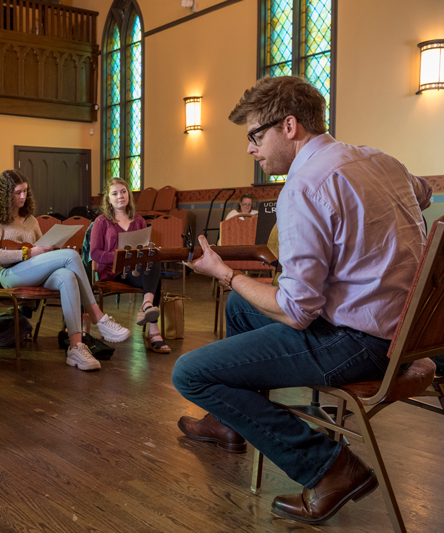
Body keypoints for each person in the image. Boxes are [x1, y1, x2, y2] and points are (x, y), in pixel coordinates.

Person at [171, 76, 432, 525]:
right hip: (409, 332)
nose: (251, 149)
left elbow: (297, 312)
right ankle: (229, 422)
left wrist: (226, 274)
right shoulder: (379, 159)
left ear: (288, 126)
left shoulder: (303, 187)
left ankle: (330, 467)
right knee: (240, 310)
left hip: (360, 344)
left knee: (190, 373)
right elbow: (423, 191)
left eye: (255, 136)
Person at [0, 170, 131, 372]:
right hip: (8, 275)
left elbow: (42, 249)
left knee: (67, 275)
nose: (23, 197)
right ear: (5, 195)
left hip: (34, 271)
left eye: (25, 191)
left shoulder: (31, 220)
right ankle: (98, 317)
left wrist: (48, 248)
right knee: (72, 256)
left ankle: (76, 347)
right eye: (18, 193)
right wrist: (28, 253)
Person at [90, 177, 169, 353]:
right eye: (115, 193)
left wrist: (146, 250)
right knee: (154, 280)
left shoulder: (138, 220)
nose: (120, 196)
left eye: (123, 192)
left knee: (153, 257)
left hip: (135, 271)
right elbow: (94, 253)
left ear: (129, 195)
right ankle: (154, 331)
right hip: (114, 272)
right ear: (108, 199)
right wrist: (119, 257)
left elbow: (143, 248)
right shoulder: (102, 221)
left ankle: (147, 305)